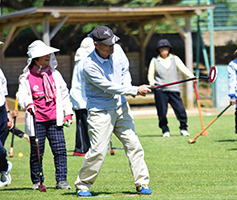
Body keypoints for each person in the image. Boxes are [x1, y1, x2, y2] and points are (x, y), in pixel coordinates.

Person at [74, 26, 152, 197]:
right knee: (98, 151)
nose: (112, 46)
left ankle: (142, 182)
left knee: (134, 145)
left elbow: (124, 71)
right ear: (96, 45)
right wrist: (133, 90)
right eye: (107, 44)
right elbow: (108, 87)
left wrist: (129, 88)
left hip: (121, 107)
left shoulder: (118, 51)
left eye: (113, 42)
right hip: (100, 111)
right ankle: (83, 184)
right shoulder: (88, 65)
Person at [17, 40, 74, 190]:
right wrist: (28, 103)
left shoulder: (55, 74)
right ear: (35, 58)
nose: (48, 56)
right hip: (37, 121)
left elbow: (64, 94)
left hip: (55, 119)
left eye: (49, 54)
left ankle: (61, 180)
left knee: (60, 151)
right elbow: (21, 95)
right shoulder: (26, 77)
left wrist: (68, 113)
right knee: (37, 153)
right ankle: (37, 181)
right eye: (44, 54)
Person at [147, 39, 194, 137]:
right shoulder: (155, 60)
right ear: (159, 50)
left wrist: (191, 76)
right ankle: (165, 130)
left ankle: (183, 128)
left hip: (174, 89)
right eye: (162, 49)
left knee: (180, 110)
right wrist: (152, 83)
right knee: (162, 112)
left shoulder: (175, 58)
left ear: (169, 49)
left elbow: (183, 68)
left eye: (166, 48)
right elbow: (150, 74)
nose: (164, 51)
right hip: (160, 90)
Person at [70, 37, 94, 156]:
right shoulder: (84, 61)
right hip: (81, 97)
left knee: (86, 123)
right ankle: (80, 149)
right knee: (82, 123)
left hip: (83, 97)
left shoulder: (82, 60)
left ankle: (87, 147)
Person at [0, 41, 13, 188]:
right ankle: (4, 168)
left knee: (1, 147)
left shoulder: (0, 72)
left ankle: (3, 168)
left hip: (2, 111)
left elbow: (3, 94)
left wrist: (8, 113)